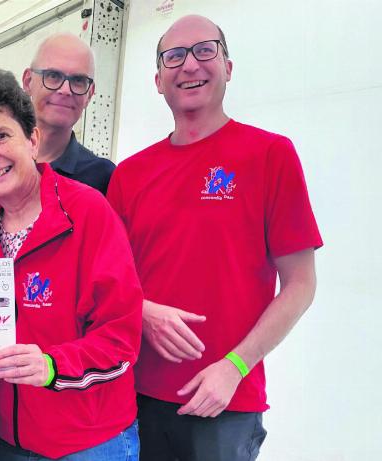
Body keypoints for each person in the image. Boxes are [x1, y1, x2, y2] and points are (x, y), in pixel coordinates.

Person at [106, 15, 323, 460]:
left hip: (225, 401)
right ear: (157, 80)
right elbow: (106, 282)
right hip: (135, 397)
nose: (189, 65)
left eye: (205, 50)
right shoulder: (129, 175)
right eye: (174, 56)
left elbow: (301, 284)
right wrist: (143, 311)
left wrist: (235, 366)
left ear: (228, 66)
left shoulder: (269, 154)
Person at [0, 67, 142, 460]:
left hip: (87, 443)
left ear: (31, 139)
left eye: (1, 136)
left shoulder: (88, 212)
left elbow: (121, 339)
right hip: (4, 441)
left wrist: (53, 366)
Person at [0, 33, 115, 239]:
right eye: (53, 76)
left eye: (78, 81)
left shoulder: (103, 177)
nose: (65, 89)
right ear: (27, 81)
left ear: (90, 93)